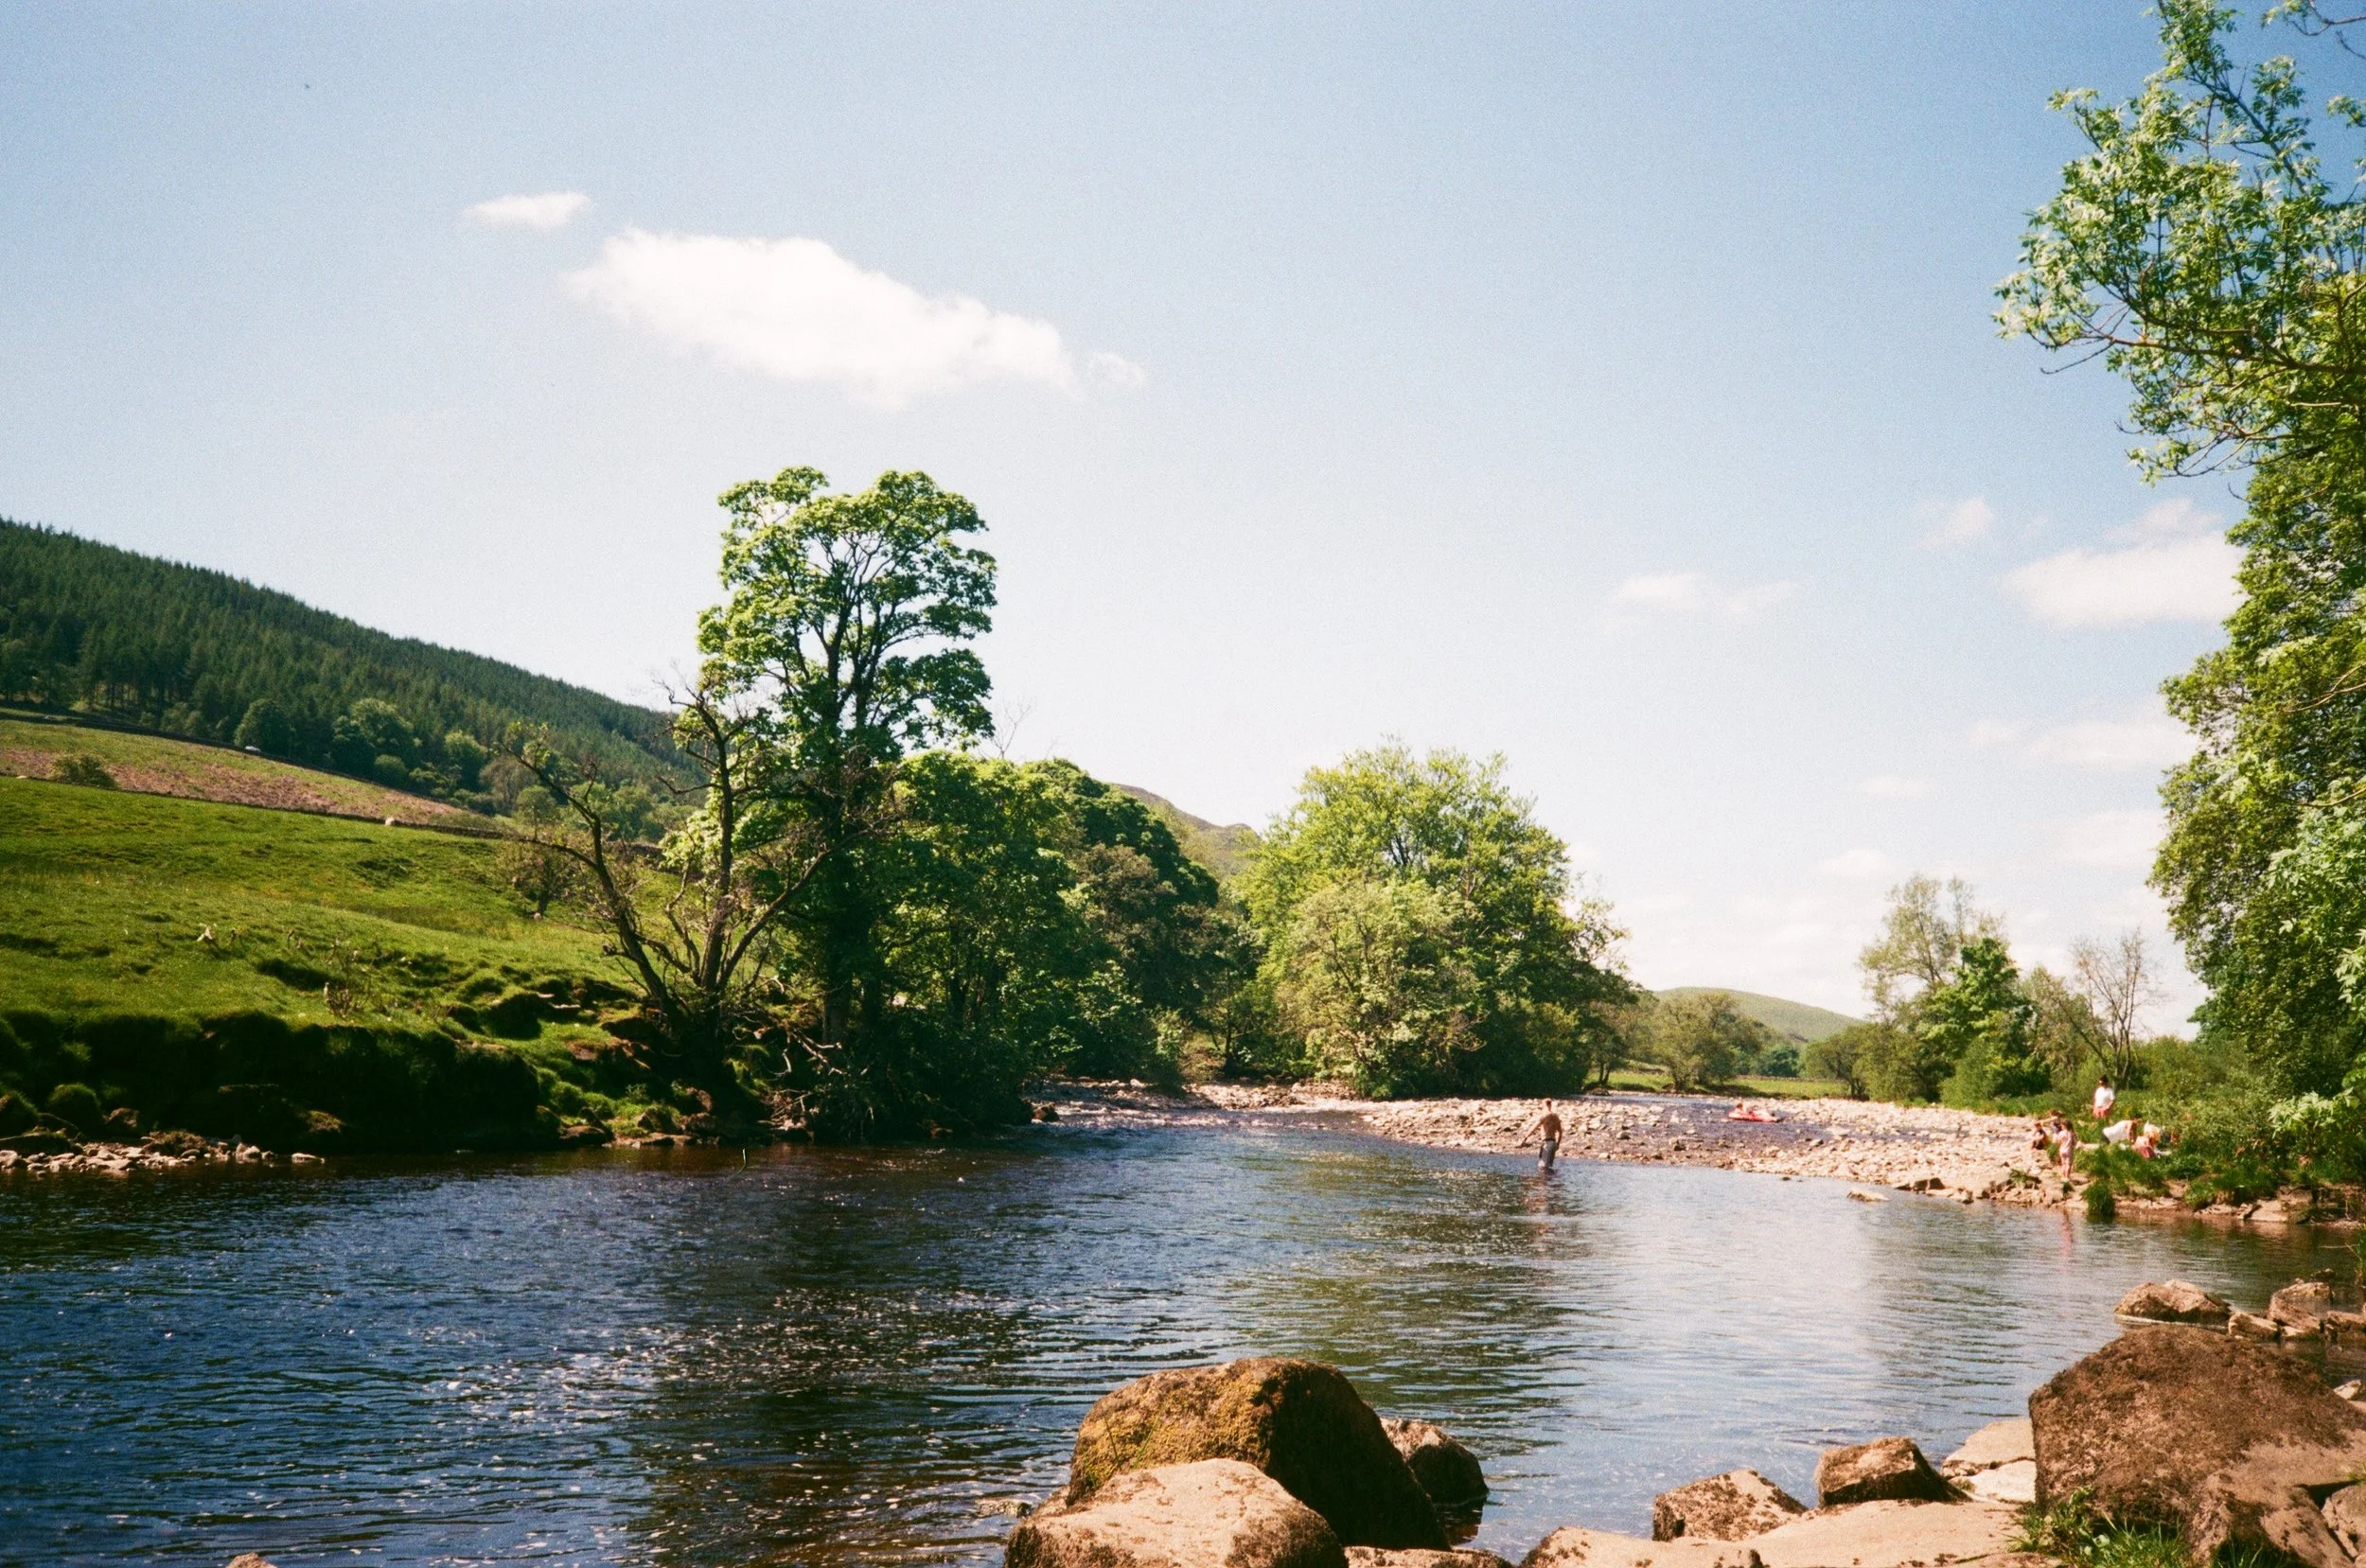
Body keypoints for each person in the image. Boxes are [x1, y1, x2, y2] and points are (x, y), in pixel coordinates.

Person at [1520, 1100, 1564, 1172]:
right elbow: (1560, 1132)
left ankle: (1544, 1182)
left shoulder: (1543, 1116)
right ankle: (1552, 1181)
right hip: (1553, 1143)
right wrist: (1558, 1144)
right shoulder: (1556, 1116)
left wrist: (1525, 1137)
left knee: (1543, 1167)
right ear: (1550, 1105)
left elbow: (1533, 1128)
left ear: (1544, 1105)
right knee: (1548, 1167)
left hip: (1546, 1143)